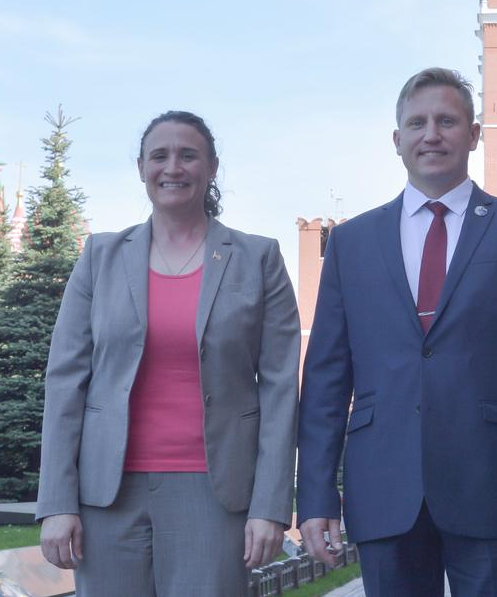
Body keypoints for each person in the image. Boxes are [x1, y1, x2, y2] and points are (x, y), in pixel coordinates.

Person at [297, 68, 497, 596]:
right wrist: (315, 498)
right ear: (396, 139)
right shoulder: (352, 243)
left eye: (448, 121)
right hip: (383, 488)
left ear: (474, 134)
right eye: (417, 123)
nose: (432, 134)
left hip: (495, 489)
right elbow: (327, 380)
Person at [35, 111, 300, 596]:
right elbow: (65, 383)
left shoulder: (258, 259)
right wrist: (56, 502)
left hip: (215, 494)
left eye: (188, 155)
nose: (172, 167)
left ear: (211, 167)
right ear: (141, 168)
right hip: (106, 496)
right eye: (159, 156)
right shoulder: (99, 257)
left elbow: (282, 389)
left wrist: (270, 505)